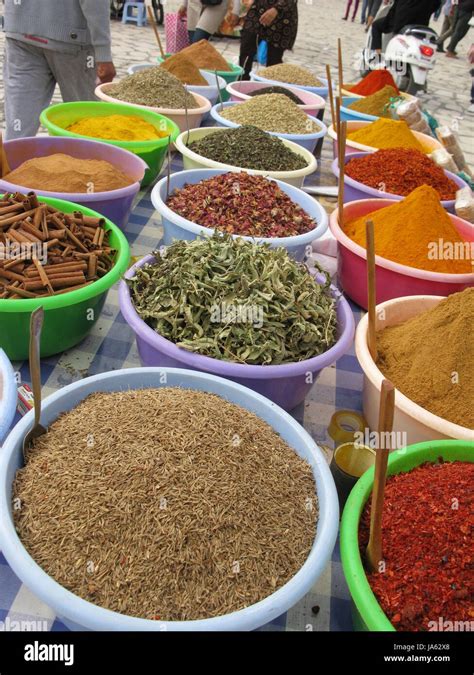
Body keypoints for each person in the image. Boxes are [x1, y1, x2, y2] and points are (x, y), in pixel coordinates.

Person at [2, 0, 115, 140]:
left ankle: (11, 159)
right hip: (71, 39)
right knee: (86, 125)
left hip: (20, 32)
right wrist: (103, 53)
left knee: (18, 130)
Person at [236, 0, 298, 80]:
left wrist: (276, 8)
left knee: (274, 60)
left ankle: (270, 88)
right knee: (246, 50)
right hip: (258, 9)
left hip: (282, 15)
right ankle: (241, 84)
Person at [371, 0, 442, 53]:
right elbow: (436, 4)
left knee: (376, 25)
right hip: (421, 25)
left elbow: (396, 6)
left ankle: (377, 56)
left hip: (402, 22)